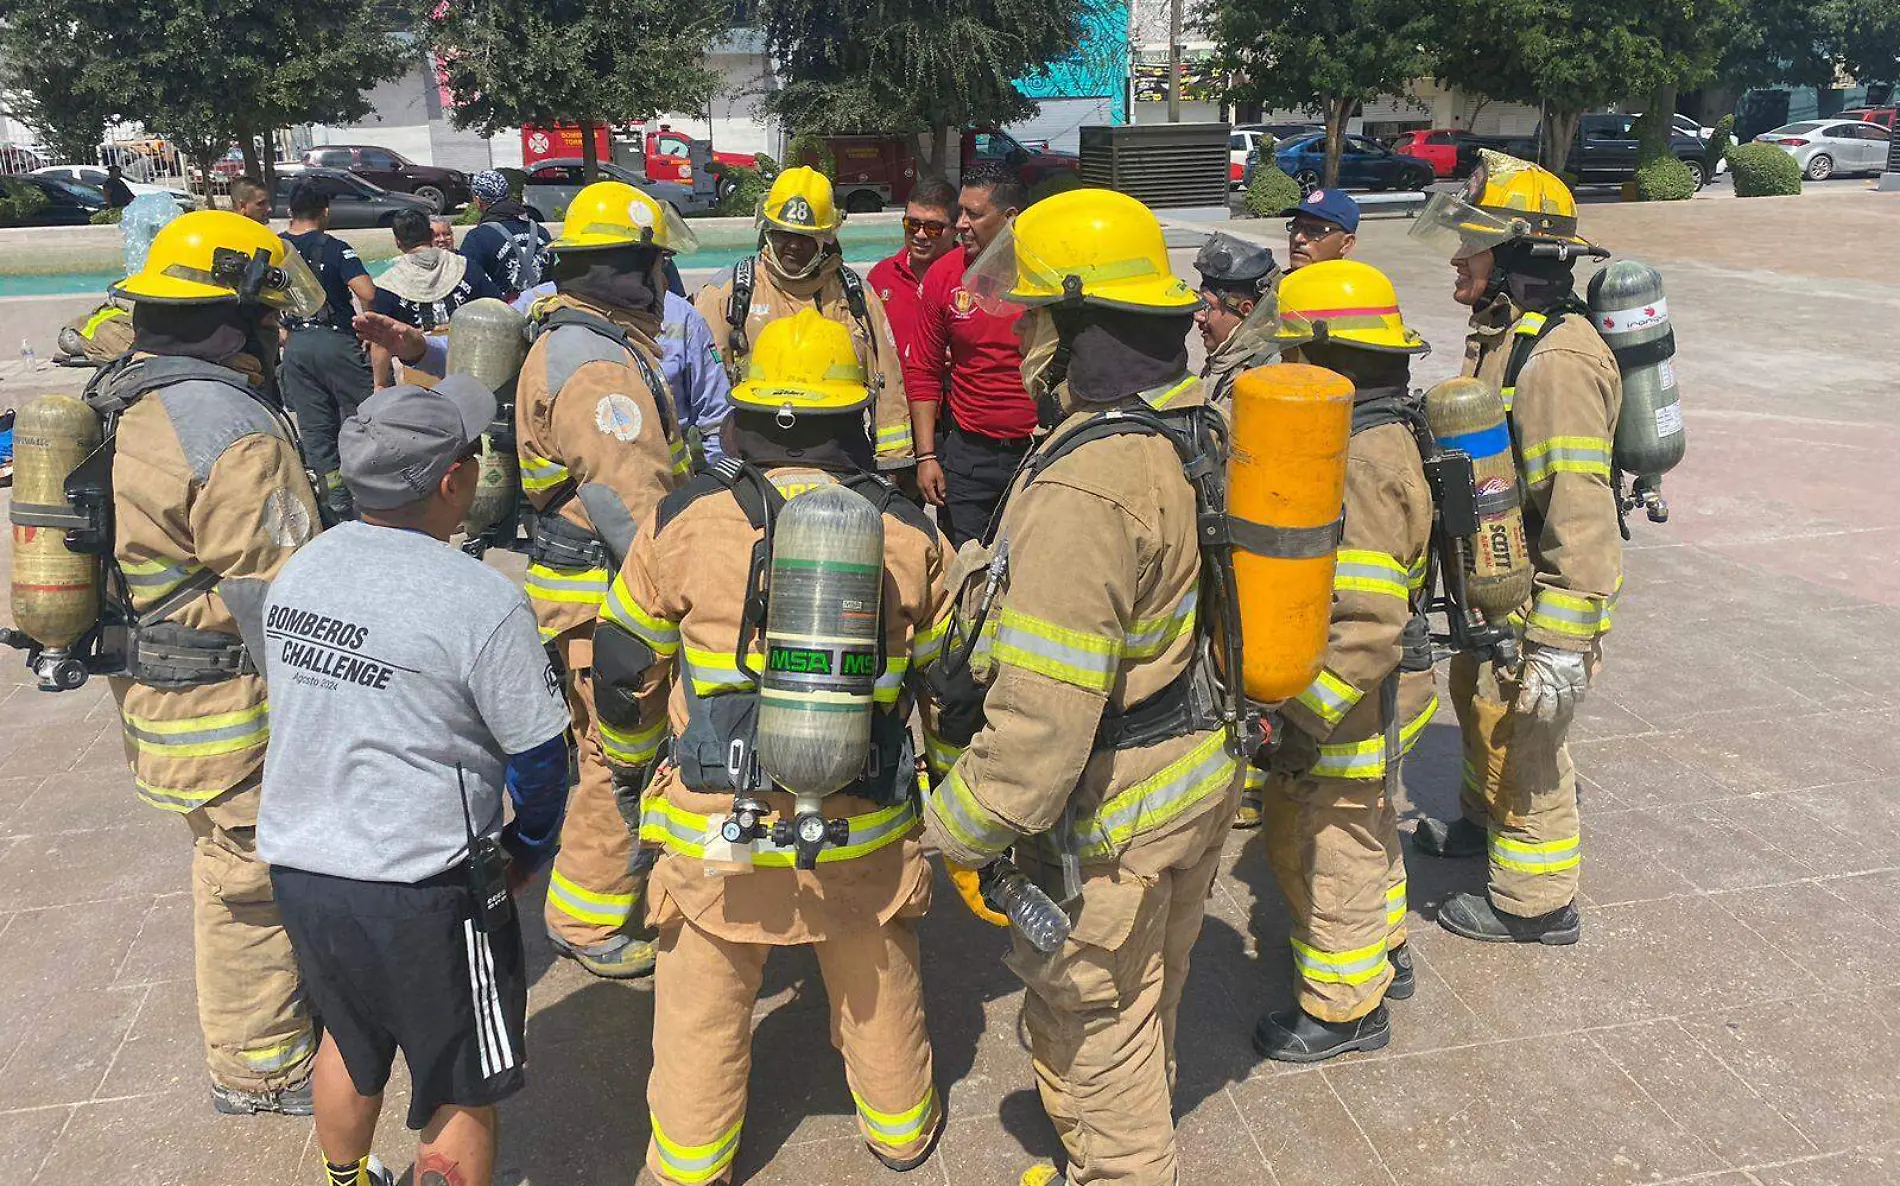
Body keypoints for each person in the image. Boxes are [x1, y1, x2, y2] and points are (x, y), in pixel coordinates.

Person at [924, 188, 1242, 1186]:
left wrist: (957, 831)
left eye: (1034, 317)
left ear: (1078, 326)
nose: (1019, 335)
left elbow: (1041, 722)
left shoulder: (1084, 486)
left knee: (1090, 1022)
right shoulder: (1190, 422)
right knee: (1147, 996)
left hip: (1117, 815)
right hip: (1196, 773)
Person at [593, 308, 950, 1184]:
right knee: (880, 988)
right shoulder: (907, 532)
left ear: (747, 416)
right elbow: (951, 688)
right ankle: (901, 1133)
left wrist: (634, 761)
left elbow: (622, 662)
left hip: (721, 827)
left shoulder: (686, 520)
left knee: (701, 1007)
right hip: (859, 827)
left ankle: (689, 1164)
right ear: (854, 418)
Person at [259, 375, 570, 1186]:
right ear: (451, 481)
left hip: (304, 866)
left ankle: (348, 1178)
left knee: (349, 1040)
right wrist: (525, 853)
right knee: (462, 1079)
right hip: (424, 884)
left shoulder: (303, 570)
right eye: (473, 451)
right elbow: (541, 761)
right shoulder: (480, 599)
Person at [92, 210, 326, 1114]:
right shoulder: (231, 429)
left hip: (161, 687)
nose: (277, 332)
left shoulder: (125, 390)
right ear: (237, 320)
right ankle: (262, 1069)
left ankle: (272, 1030)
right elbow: (283, 600)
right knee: (250, 877)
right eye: (270, 314)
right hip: (227, 701)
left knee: (228, 858)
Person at [1408, 149, 1622, 944]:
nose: (1457, 258)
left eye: (1472, 242)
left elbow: (1580, 507)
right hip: (1495, 578)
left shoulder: (1558, 360)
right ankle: (1479, 824)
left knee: (1529, 738)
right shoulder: (1505, 334)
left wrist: (1561, 642)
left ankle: (1537, 902)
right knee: (1482, 704)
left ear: (1518, 255)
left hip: (1540, 595)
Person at [1250, 260, 1437, 1062]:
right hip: (1389, 685)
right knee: (1368, 828)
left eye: (1294, 352)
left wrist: (1296, 720)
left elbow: (1362, 623)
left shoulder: (1360, 458)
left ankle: (1344, 1009)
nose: (1285, 369)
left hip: (1354, 696)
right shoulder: (1387, 428)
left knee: (1327, 839)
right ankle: (1384, 950)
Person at [517, 179, 691, 978]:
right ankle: (587, 922)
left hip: (590, 597)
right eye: (656, 265)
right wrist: (688, 595)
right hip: (604, 605)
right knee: (616, 758)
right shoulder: (597, 369)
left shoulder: (584, 343)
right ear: (626, 271)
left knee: (608, 751)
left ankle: (604, 898)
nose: (665, 282)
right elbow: (632, 509)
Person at [692, 165, 913, 475]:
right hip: (756, 458)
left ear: (825, 237)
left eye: (805, 236)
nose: (793, 244)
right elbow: (706, 388)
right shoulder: (729, 293)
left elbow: (887, 379)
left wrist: (896, 464)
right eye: (783, 233)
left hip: (838, 457)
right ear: (767, 231)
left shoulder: (855, 297)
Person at [902, 162, 1037, 546]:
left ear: (1010, 218)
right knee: (964, 570)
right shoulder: (944, 276)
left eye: (973, 214)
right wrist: (927, 456)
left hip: (1038, 449)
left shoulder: (1043, 272)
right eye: (960, 211)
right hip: (968, 456)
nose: (960, 223)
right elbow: (923, 371)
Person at [280, 182, 377, 523]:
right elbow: (366, 290)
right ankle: (372, 496)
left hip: (294, 345)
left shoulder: (276, 248)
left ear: (291, 211)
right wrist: (367, 324)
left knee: (316, 429)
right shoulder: (335, 247)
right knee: (362, 417)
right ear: (324, 212)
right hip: (335, 341)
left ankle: (334, 505)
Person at [367, 209, 506, 387]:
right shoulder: (465, 266)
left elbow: (381, 341)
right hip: (470, 365)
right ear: (431, 234)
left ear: (398, 242)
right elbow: (497, 308)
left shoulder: (388, 284)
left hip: (419, 375)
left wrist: (379, 384)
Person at [867, 175, 962, 368]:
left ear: (955, 229)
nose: (920, 235)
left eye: (933, 227)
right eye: (912, 225)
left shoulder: (972, 278)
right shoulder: (880, 276)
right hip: (897, 394)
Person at [459, 169, 550, 301]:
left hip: (503, 316)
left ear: (478, 200)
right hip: (543, 312)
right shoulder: (540, 231)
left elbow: (467, 282)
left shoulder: (478, 238)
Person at [1284, 189, 1359, 270]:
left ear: (1346, 243)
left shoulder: (1360, 282)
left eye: (1314, 230)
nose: (1298, 238)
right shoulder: (1278, 281)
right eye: (1295, 226)